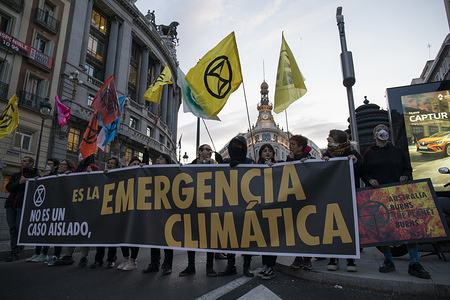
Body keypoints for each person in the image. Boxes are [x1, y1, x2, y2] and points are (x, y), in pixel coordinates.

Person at [363, 124, 430, 279]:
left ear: (388, 134)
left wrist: (405, 176)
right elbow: (364, 172)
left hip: (399, 195)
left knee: (408, 226)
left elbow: (408, 169)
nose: (382, 132)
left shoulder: (398, 151)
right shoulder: (369, 154)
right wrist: (369, 180)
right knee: (384, 229)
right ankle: (388, 260)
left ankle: (414, 262)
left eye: (385, 130)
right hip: (378, 194)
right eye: (378, 130)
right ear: (374, 135)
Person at [322, 130, 362, 272]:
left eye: (330, 137)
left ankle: (350, 259)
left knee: (348, 227)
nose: (328, 139)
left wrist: (355, 162)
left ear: (338, 139)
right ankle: (333, 258)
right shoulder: (326, 155)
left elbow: (361, 171)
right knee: (332, 227)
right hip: (332, 196)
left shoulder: (352, 153)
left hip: (348, 195)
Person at [178, 144, 217, 277]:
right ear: (200, 152)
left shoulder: (216, 166)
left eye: (210, 150)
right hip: (193, 205)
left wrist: (215, 166)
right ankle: (191, 265)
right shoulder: (190, 166)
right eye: (206, 149)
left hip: (210, 206)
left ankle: (209, 266)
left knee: (210, 237)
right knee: (192, 236)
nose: (209, 152)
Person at [218, 136, 254, 277]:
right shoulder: (225, 162)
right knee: (230, 237)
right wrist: (221, 164)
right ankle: (231, 265)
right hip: (229, 205)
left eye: (240, 145)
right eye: (234, 145)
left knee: (247, 238)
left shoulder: (249, 162)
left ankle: (247, 266)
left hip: (246, 206)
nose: (236, 148)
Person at [55, 154, 99, 267]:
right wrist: (67, 175)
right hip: (74, 204)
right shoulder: (75, 169)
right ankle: (69, 254)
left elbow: (98, 182)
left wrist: (91, 174)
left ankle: (84, 256)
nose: (80, 156)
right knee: (73, 229)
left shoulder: (93, 167)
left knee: (84, 230)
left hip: (86, 204)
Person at [142, 153, 174, 275]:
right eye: (157, 158)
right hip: (154, 209)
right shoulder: (151, 171)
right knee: (154, 238)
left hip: (167, 210)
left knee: (168, 238)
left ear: (167, 162)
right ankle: (154, 263)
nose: (158, 160)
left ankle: (168, 264)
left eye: (161, 158)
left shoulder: (172, 173)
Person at [5, 156, 40, 262]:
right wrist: (19, 183)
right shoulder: (16, 175)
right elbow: (9, 187)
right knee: (12, 228)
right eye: (22, 161)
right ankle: (14, 251)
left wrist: (30, 182)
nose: (22, 163)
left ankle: (18, 249)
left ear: (31, 163)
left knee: (18, 227)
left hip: (23, 205)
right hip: (11, 205)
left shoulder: (36, 176)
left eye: (25, 161)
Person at [287, 135, 314, 271]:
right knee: (295, 229)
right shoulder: (289, 159)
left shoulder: (309, 158)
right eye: (289, 144)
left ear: (300, 147)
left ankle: (307, 258)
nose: (290, 147)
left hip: (307, 199)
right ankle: (298, 257)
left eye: (292, 144)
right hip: (294, 198)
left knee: (307, 228)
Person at [26, 158, 60, 263]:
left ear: (55, 166)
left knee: (48, 231)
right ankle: (37, 253)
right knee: (41, 230)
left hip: (53, 205)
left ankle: (45, 254)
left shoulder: (58, 175)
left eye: (50, 164)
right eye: (47, 163)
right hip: (43, 206)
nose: (48, 165)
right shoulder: (45, 174)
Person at [91, 157, 121, 269]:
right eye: (108, 163)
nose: (109, 165)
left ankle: (111, 259)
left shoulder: (121, 176)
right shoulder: (102, 175)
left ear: (117, 166)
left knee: (111, 237)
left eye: (112, 163)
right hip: (103, 209)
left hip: (114, 210)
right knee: (101, 236)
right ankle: (98, 260)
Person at [255, 144, 277, 280]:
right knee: (264, 239)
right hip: (261, 207)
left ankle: (271, 266)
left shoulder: (279, 165)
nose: (267, 153)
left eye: (270, 151)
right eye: (264, 151)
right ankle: (265, 265)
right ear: (260, 154)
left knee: (273, 238)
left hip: (274, 207)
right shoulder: (255, 166)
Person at [47, 159, 75, 266]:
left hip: (70, 208)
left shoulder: (73, 176)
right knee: (58, 230)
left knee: (71, 231)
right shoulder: (56, 175)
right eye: (61, 164)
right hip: (58, 207)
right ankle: (56, 254)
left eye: (64, 165)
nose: (61, 166)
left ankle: (69, 254)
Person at [116, 156, 142, 271]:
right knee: (122, 234)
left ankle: (133, 261)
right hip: (124, 207)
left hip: (137, 209)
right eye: (133, 163)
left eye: (138, 163)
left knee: (134, 235)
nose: (136, 165)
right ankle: (126, 259)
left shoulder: (143, 174)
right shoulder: (123, 175)